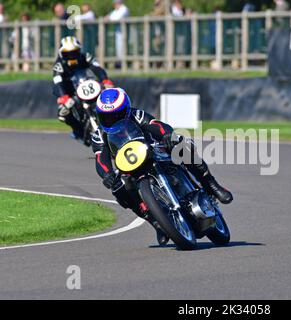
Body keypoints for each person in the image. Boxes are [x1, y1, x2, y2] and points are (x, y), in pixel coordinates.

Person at [92, 88, 233, 245]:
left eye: (115, 115)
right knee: (119, 189)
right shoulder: (98, 134)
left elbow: (156, 125)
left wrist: (167, 135)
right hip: (127, 165)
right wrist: (107, 175)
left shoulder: (136, 115)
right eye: (106, 116)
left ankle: (211, 185)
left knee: (182, 146)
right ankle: (157, 223)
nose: (111, 119)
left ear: (125, 110)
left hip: (151, 148)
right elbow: (100, 158)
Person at [53, 36, 114, 143]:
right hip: (70, 91)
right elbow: (58, 81)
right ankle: (77, 131)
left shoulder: (85, 56)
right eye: (68, 54)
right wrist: (64, 96)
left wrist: (105, 81)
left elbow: (97, 68)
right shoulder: (58, 65)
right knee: (63, 113)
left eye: (74, 52)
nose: (71, 56)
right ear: (62, 54)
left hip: (88, 84)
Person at [105, 0, 130, 68]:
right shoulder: (116, 10)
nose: (114, 5)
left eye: (115, 3)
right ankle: (119, 63)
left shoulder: (124, 9)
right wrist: (109, 17)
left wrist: (109, 18)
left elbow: (116, 18)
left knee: (123, 48)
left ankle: (124, 64)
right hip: (119, 32)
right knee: (119, 48)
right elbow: (110, 16)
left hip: (124, 32)